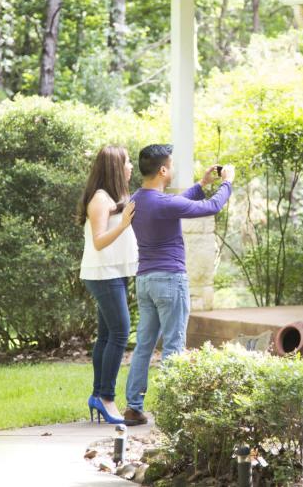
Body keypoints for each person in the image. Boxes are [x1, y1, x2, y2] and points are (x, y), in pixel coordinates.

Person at [122, 144, 234, 425]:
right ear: (162, 170)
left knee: (144, 346)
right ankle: (173, 409)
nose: (172, 169)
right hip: (170, 280)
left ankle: (133, 407)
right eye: (170, 165)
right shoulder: (162, 203)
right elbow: (212, 207)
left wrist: (202, 184)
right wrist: (227, 183)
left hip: (145, 281)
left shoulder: (139, 199)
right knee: (173, 344)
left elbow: (174, 206)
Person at [77, 145, 138, 424]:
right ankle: (106, 397)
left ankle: (97, 395)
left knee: (106, 335)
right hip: (103, 273)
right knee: (120, 333)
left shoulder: (110, 198)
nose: (130, 168)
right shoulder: (100, 199)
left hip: (110, 272)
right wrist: (124, 223)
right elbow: (100, 241)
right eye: (127, 163)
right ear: (116, 167)